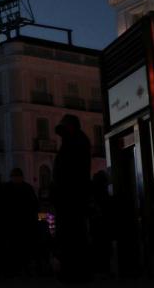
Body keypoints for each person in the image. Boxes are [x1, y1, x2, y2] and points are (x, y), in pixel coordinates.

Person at [52, 114, 92, 283]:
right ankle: (72, 269)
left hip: (72, 197)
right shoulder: (72, 142)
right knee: (70, 235)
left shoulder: (77, 143)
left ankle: (74, 271)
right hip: (69, 197)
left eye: (65, 128)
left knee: (73, 235)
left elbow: (74, 171)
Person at [0, 168, 39, 277]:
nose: (16, 178)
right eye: (14, 176)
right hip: (14, 224)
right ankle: (18, 268)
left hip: (22, 223)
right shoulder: (8, 188)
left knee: (22, 247)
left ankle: (22, 267)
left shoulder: (25, 188)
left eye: (17, 176)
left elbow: (34, 205)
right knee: (16, 247)